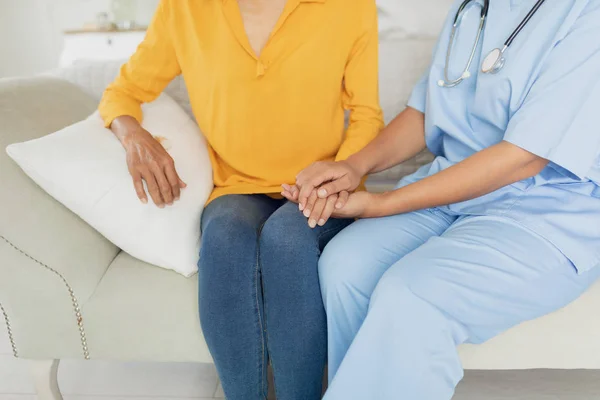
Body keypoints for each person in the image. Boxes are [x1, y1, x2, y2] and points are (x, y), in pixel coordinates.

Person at [282, 0, 600, 398]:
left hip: (545, 210)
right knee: (345, 266)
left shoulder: (588, 16)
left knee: (413, 294)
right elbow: (427, 110)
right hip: (450, 193)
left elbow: (525, 157)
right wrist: (355, 166)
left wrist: (382, 204)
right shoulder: (472, 8)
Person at [98, 0, 383, 399]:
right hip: (237, 185)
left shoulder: (349, 7)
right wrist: (134, 137)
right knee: (224, 237)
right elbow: (122, 93)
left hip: (324, 187)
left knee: (286, 238)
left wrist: (337, 180)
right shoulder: (184, 10)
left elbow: (367, 115)